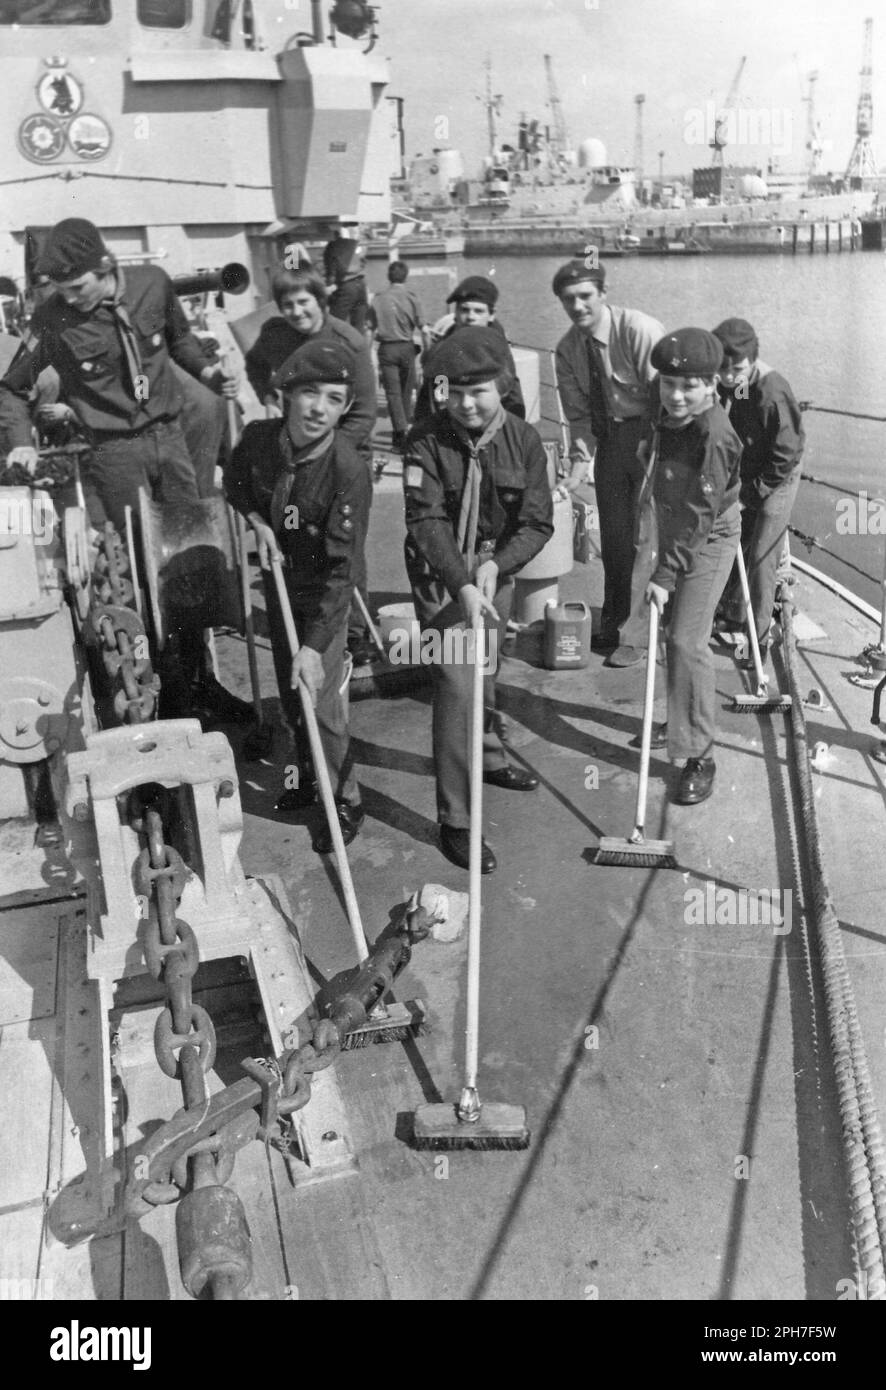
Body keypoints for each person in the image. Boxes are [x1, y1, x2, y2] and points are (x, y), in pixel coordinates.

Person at [0, 216, 246, 720]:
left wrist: (209, 371)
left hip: (169, 441)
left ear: (105, 266)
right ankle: (160, 695)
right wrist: (20, 444)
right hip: (112, 456)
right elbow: (12, 385)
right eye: (62, 290)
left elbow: (180, 342)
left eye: (78, 286)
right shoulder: (53, 318)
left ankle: (200, 684)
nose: (71, 298)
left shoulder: (152, 286)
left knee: (189, 565)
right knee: (135, 579)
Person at [403, 327, 553, 874]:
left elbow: (538, 523)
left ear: (503, 386)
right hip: (441, 572)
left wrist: (495, 566)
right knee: (460, 685)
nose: (466, 404)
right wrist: (461, 582)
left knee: (486, 673)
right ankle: (457, 820)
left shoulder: (526, 442)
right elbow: (424, 519)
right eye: (454, 392)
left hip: (496, 568)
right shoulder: (423, 441)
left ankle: (488, 758)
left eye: (480, 391)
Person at [225, 340, 370, 853]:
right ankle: (308, 780)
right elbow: (236, 485)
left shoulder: (347, 470)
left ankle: (345, 799)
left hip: (324, 597)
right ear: (285, 395)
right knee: (291, 698)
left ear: (345, 408)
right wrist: (259, 522)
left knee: (320, 698)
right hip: (280, 582)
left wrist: (314, 646)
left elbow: (342, 571)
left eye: (333, 399)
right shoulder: (259, 439)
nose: (318, 408)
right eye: (309, 393)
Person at [245, 267, 377, 665]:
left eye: (304, 302)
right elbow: (255, 365)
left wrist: (325, 456)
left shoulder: (348, 342)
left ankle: (357, 636)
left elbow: (365, 413)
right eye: (287, 304)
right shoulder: (274, 333)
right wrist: (266, 394)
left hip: (343, 455)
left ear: (321, 301)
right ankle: (306, 625)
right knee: (295, 535)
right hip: (292, 453)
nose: (296, 311)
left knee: (342, 545)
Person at [643, 328, 742, 806]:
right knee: (671, 636)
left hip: (707, 537)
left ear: (713, 386)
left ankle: (701, 754)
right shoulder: (669, 409)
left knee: (687, 639)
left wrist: (665, 573)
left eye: (689, 386)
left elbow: (702, 516)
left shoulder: (716, 434)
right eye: (668, 384)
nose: (676, 395)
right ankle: (682, 720)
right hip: (676, 526)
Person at [553, 259, 663, 666]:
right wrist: (578, 466)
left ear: (603, 294)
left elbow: (667, 399)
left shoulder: (638, 331)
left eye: (585, 296)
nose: (578, 306)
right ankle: (615, 620)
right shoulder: (567, 351)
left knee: (644, 539)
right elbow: (578, 417)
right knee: (614, 540)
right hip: (611, 442)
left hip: (652, 436)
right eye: (569, 299)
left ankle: (637, 635)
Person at [712, 317, 804, 661]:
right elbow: (734, 414)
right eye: (722, 369)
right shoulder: (737, 382)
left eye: (736, 368)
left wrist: (751, 494)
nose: (728, 376)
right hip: (752, 467)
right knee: (737, 535)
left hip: (779, 473)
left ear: (751, 360)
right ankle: (735, 612)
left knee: (763, 552)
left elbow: (786, 452)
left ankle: (759, 639)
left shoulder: (772, 391)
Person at [413, 275, 525, 424]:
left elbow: (512, 398)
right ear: (456, 315)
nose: (471, 317)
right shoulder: (443, 353)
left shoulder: (499, 348)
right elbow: (436, 401)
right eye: (464, 310)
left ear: (491, 315)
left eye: (478, 311)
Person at [367, 260, 429, 452]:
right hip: (407, 349)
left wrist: (367, 355)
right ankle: (402, 434)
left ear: (389, 276)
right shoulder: (412, 298)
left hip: (386, 350)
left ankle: (399, 435)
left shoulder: (377, 299)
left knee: (392, 394)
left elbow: (369, 330)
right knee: (405, 392)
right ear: (406, 276)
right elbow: (425, 330)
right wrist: (427, 353)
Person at [323, 219, 368, 333]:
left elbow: (331, 273)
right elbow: (363, 260)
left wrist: (329, 290)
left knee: (335, 323)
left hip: (347, 286)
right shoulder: (353, 243)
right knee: (359, 325)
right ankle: (358, 348)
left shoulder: (332, 247)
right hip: (361, 284)